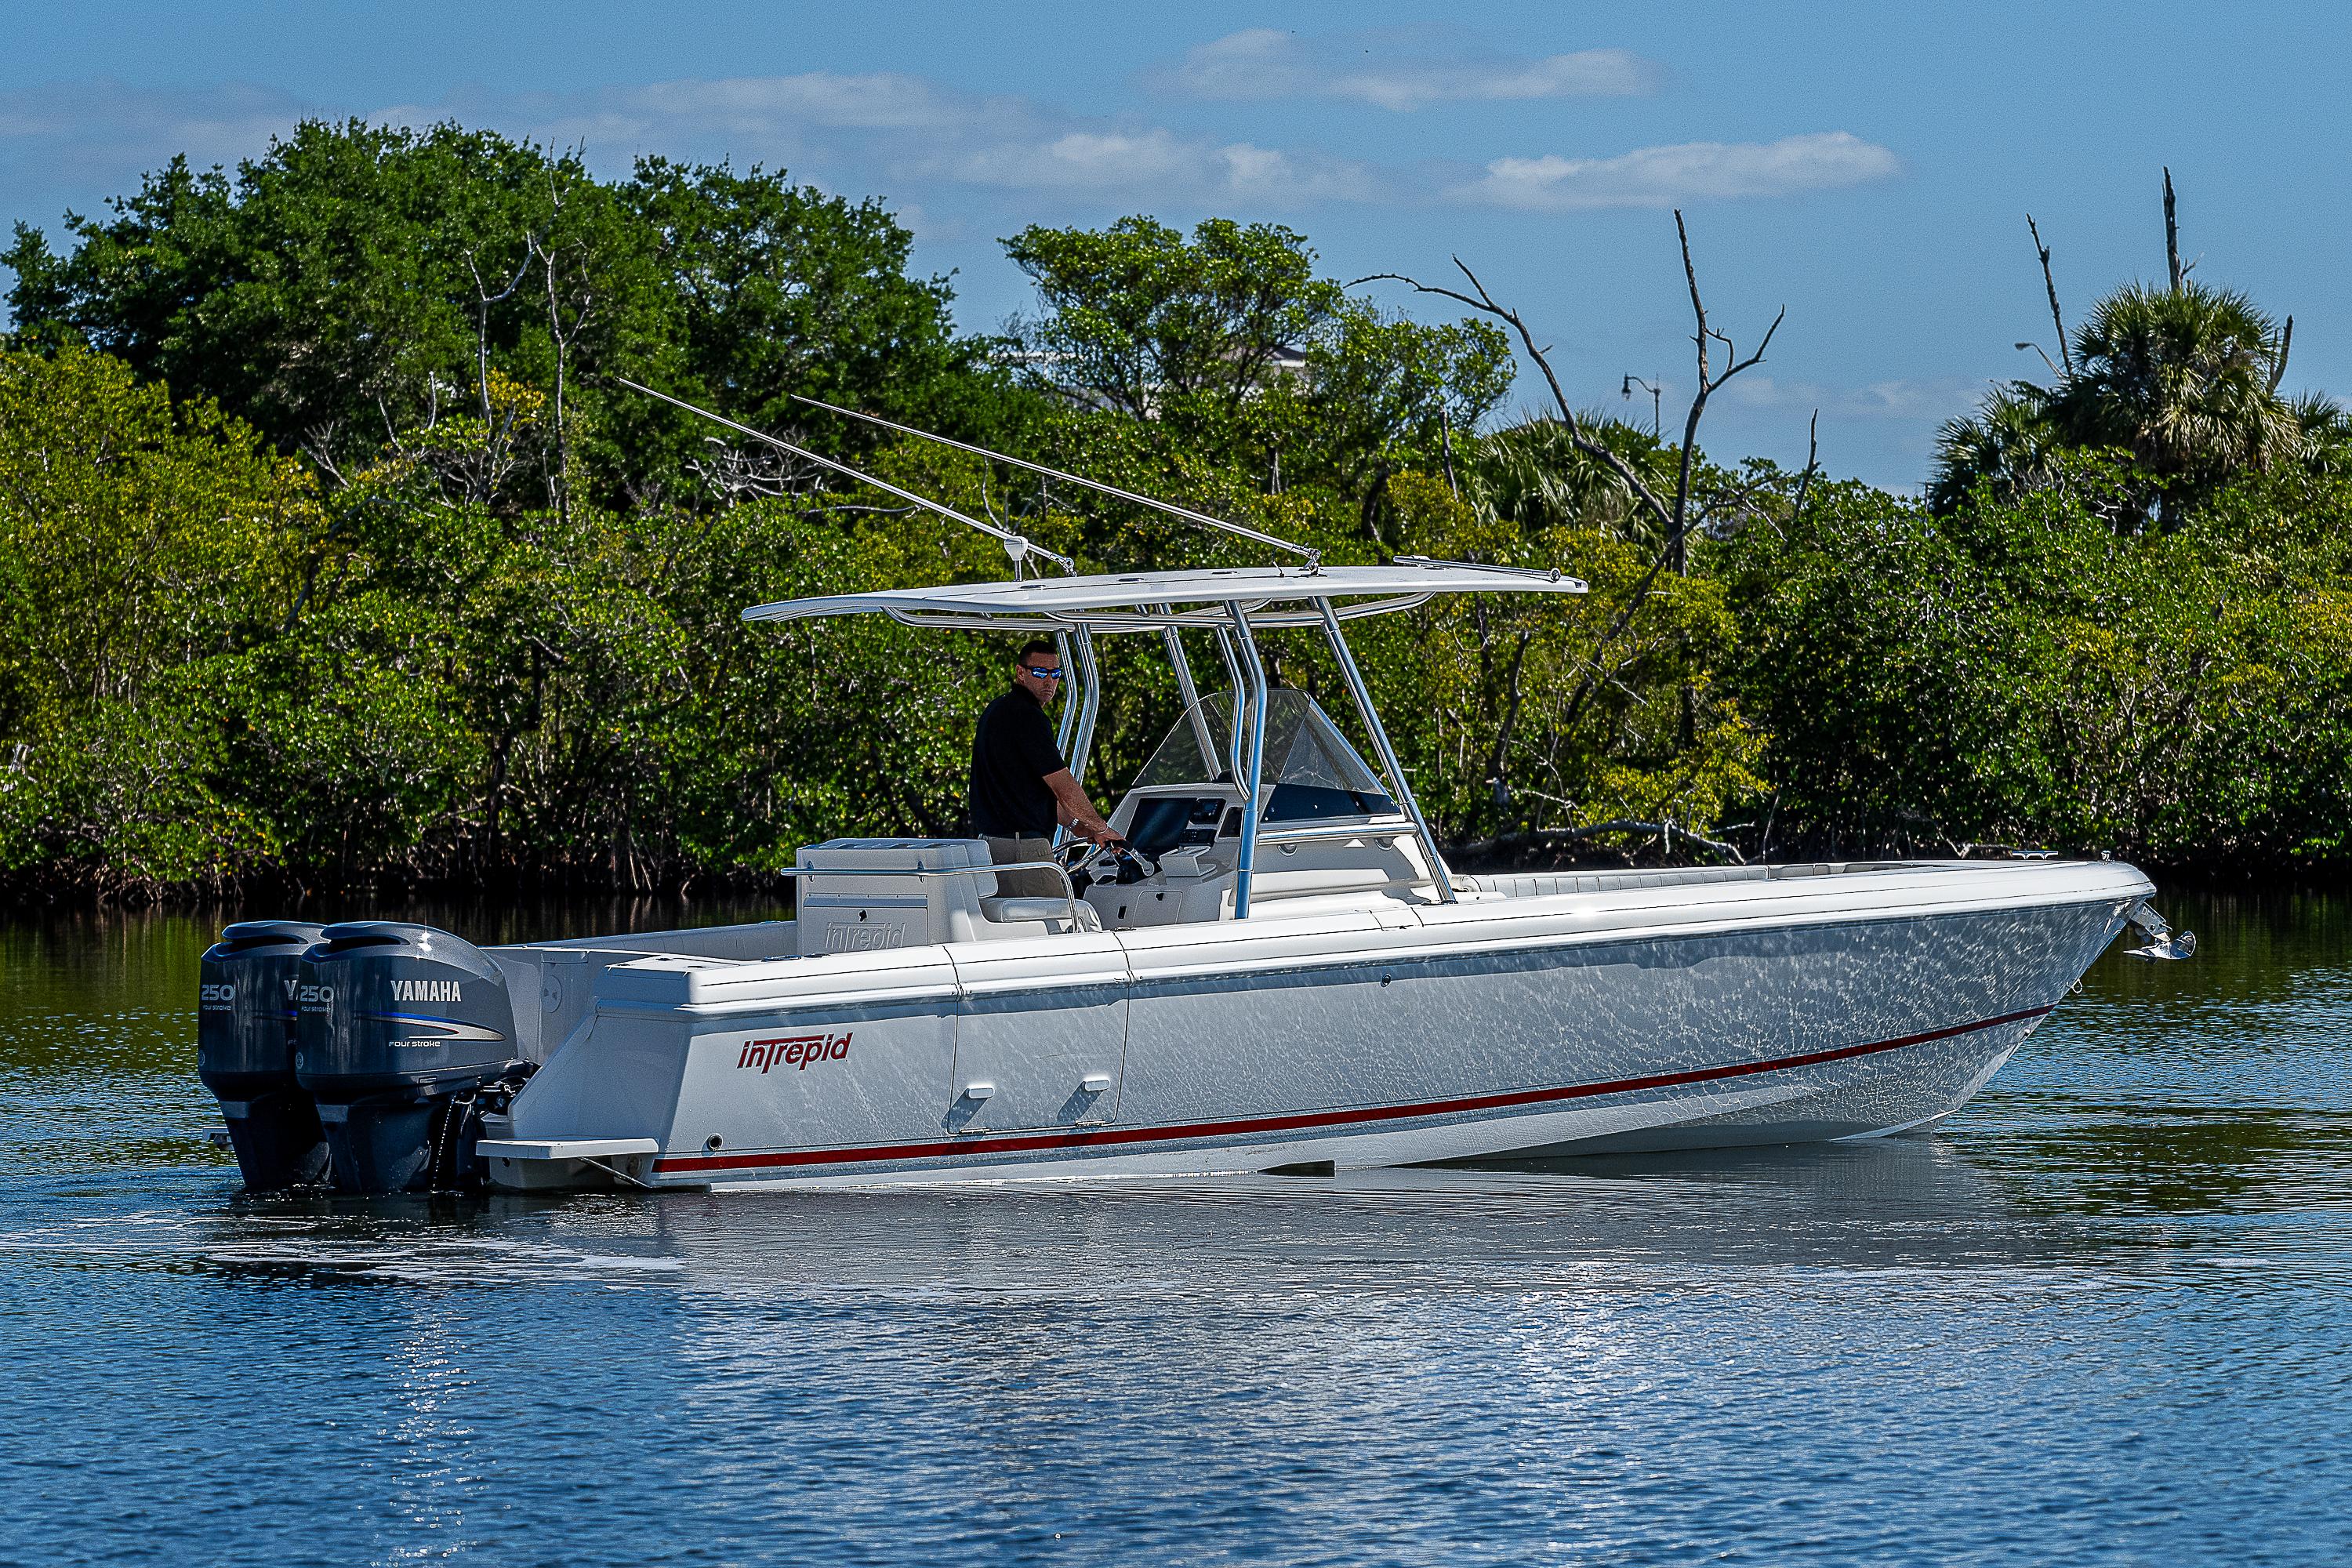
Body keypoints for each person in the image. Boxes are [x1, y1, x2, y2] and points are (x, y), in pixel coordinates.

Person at [970, 640, 1118, 896]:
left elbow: (1032, 790)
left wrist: (1075, 825)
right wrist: (1101, 828)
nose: (1049, 681)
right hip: (1022, 850)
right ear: (1020, 673)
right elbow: (1063, 787)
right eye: (1040, 673)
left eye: (1056, 674)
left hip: (993, 846)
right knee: (1063, 923)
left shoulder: (998, 709)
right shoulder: (1027, 716)